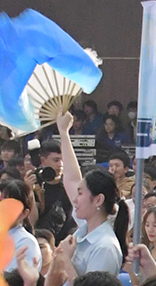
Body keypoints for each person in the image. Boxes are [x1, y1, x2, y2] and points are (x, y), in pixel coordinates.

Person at [55, 112, 130, 277]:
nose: (74, 198)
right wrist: (64, 133)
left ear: (98, 200)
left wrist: (66, 260)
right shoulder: (84, 229)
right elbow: (72, 178)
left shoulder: (105, 247)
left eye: (80, 193)